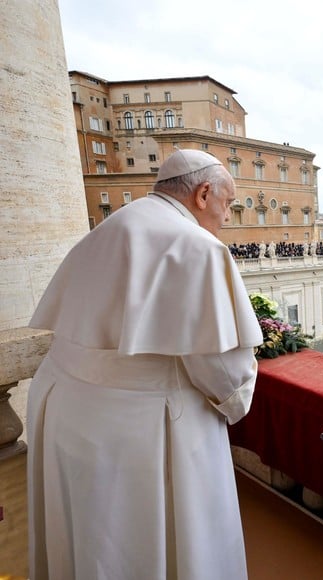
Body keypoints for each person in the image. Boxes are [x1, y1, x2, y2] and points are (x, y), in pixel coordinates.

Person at [27, 149, 262, 579]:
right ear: (203, 193)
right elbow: (221, 370)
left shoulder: (109, 227)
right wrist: (238, 399)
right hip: (141, 432)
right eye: (228, 203)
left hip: (68, 413)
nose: (228, 217)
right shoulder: (197, 246)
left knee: (91, 539)